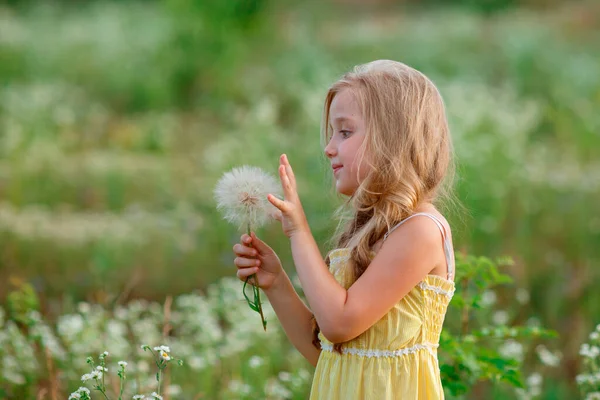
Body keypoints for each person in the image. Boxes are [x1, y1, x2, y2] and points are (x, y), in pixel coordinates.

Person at [232, 59, 456, 399]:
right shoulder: (368, 232)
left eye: (345, 132)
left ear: (393, 139)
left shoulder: (420, 231)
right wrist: (276, 282)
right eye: (333, 133)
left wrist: (298, 232)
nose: (329, 147)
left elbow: (339, 323)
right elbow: (330, 353)